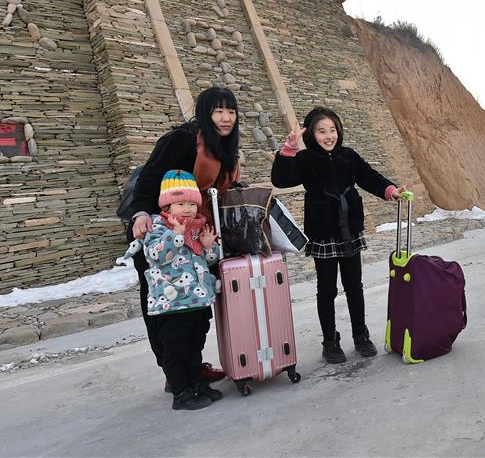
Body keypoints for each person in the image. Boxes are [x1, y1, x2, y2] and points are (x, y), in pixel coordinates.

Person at [271, 106, 408, 363]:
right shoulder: (305, 159)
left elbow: (369, 177)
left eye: (332, 130)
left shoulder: (349, 156)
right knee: (326, 290)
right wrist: (289, 147)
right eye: (321, 131)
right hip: (323, 232)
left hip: (349, 230)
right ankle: (330, 342)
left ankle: (361, 336)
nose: (328, 136)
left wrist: (389, 190)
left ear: (339, 131)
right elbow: (280, 179)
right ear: (311, 134)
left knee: (354, 286)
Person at [127, 87, 241, 387]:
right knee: (167, 308)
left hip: (196, 236)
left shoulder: (225, 148)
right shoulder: (183, 141)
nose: (226, 118)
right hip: (160, 233)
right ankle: (173, 374)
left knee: (195, 303)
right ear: (205, 112)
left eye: (231, 111)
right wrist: (140, 213)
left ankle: (192, 367)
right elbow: (150, 178)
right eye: (218, 111)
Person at [121, 170, 222, 410]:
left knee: (195, 346)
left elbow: (204, 261)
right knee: (175, 350)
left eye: (191, 203)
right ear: (167, 206)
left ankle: (196, 383)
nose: (187, 209)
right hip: (172, 304)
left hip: (195, 300)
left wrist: (208, 247)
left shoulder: (196, 228)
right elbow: (155, 255)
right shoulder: (157, 228)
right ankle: (181, 392)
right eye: (180, 203)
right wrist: (176, 235)